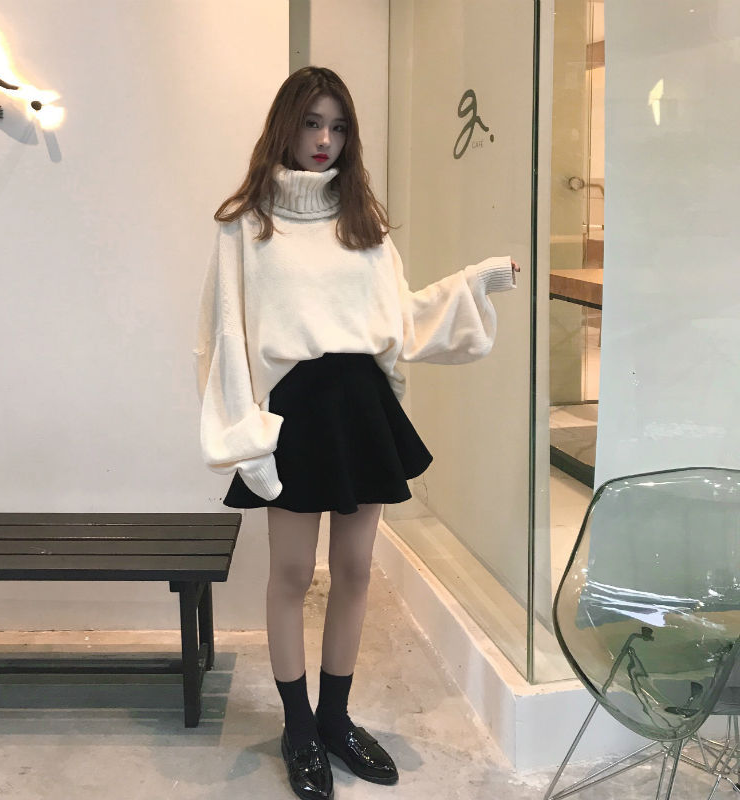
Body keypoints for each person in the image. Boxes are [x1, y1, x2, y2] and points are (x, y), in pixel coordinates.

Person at [193, 66, 519, 800]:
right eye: (313, 123)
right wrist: (246, 435)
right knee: (289, 574)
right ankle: (298, 728)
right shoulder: (244, 224)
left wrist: (475, 281)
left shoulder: (360, 218)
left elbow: (398, 317)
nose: (325, 140)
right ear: (286, 125)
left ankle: (335, 720)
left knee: (356, 570)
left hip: (360, 406)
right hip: (290, 415)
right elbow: (223, 340)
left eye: (338, 126)